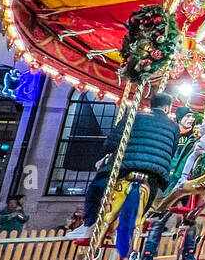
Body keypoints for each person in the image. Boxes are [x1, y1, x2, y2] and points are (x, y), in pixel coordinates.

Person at [66, 93, 181, 240]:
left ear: (150, 105)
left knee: (95, 189)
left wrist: (105, 157)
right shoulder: (173, 127)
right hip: (154, 173)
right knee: (151, 200)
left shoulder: (132, 117)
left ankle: (89, 225)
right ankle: (138, 221)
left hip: (124, 167)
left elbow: (110, 144)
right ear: (167, 108)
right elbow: (171, 152)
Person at [138, 106, 203, 260]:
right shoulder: (171, 135)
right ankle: (147, 255)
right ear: (179, 118)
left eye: (192, 117)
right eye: (187, 116)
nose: (191, 119)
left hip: (186, 182)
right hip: (168, 181)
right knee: (160, 219)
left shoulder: (196, 139)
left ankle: (188, 253)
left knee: (190, 219)